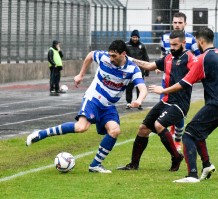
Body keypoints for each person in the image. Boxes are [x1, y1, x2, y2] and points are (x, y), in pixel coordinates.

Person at [149, 27, 218, 183]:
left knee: (188, 133)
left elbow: (184, 83)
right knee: (198, 133)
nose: (196, 44)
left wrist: (163, 89)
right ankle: (207, 165)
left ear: (201, 41)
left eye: (196, 41)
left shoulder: (202, 59)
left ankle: (192, 175)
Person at [26, 40, 147, 173]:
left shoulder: (132, 68)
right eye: (110, 55)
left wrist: (139, 100)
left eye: (114, 56)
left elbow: (142, 88)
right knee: (81, 127)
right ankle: (40, 134)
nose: (111, 58)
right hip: (93, 98)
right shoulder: (104, 57)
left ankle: (95, 165)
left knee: (115, 130)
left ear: (123, 54)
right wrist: (80, 75)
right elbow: (90, 55)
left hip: (109, 105)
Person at [117, 30, 195, 172]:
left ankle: (176, 157)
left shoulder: (190, 58)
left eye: (175, 45)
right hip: (166, 101)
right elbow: (149, 66)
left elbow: (194, 77)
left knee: (158, 125)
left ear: (184, 43)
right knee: (143, 129)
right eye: (171, 44)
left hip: (180, 104)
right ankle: (134, 164)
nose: (172, 47)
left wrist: (164, 90)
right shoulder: (168, 58)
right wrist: (128, 58)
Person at [159, 12, 201, 151]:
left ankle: (177, 139)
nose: (177, 25)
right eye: (175, 22)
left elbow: (198, 57)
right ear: (172, 23)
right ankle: (173, 131)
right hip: (166, 79)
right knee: (165, 106)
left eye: (180, 22)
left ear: (185, 24)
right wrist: (160, 66)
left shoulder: (190, 40)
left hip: (182, 81)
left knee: (178, 109)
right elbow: (163, 54)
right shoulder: (165, 37)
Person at [125, 30, 150, 110]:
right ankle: (128, 102)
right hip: (129, 70)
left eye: (136, 37)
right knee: (129, 87)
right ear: (131, 37)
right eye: (133, 37)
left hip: (140, 70)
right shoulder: (127, 45)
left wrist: (147, 69)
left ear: (138, 37)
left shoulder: (142, 46)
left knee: (140, 87)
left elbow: (146, 58)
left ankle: (139, 102)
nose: (135, 39)